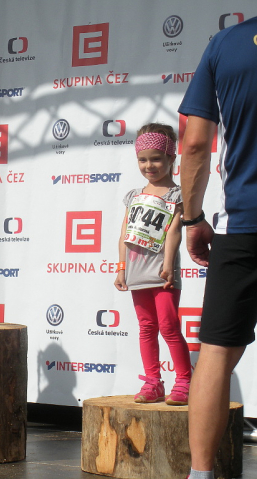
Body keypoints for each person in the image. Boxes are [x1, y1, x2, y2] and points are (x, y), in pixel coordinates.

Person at [178, 16, 257, 479]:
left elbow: (194, 145)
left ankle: (201, 474)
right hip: (241, 223)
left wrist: (192, 219)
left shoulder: (226, 44)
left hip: (242, 225)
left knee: (216, 353)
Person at [114, 123, 192, 406]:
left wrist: (168, 265)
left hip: (163, 272)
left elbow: (174, 231)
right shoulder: (134, 196)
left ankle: (184, 382)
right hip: (136, 272)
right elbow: (125, 233)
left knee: (169, 327)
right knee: (146, 327)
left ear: (171, 158)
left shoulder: (177, 195)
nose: (149, 166)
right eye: (143, 160)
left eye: (156, 159)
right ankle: (152, 382)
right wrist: (121, 268)